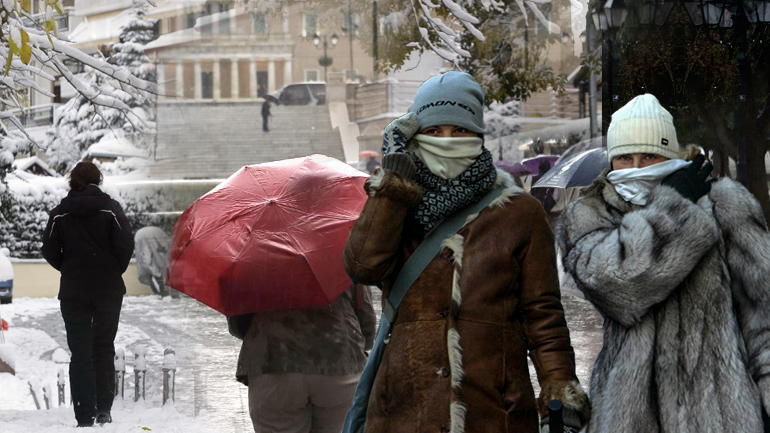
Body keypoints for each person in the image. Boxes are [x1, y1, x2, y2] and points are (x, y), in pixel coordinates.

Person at [343, 71, 590, 433]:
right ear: (414, 137)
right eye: (433, 131)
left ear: (477, 135)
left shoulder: (520, 212)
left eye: (460, 131)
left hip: (493, 409)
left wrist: (559, 385)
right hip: (406, 408)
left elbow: (543, 313)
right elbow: (362, 266)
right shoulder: (397, 206)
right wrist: (394, 182)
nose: (447, 141)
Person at [558, 93, 770, 433]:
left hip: (718, 417)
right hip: (627, 418)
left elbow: (763, 315)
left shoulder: (725, 205)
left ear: (670, 155)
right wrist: (673, 207)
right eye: (625, 157)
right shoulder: (591, 215)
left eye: (650, 155)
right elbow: (615, 284)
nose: (638, 168)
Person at [41, 161, 134, 427]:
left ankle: (84, 415)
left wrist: (69, 268)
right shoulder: (111, 209)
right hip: (108, 290)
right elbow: (126, 243)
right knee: (104, 347)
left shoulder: (60, 213)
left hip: (73, 291)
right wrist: (112, 270)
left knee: (80, 352)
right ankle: (104, 408)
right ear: (98, 179)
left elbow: (48, 249)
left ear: (72, 181)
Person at [235, 283, 376, 433]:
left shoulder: (254, 262)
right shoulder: (343, 260)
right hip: (341, 362)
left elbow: (238, 323)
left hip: (272, 361)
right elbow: (366, 322)